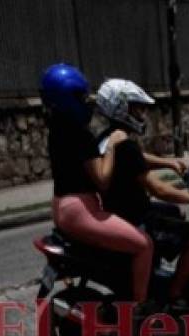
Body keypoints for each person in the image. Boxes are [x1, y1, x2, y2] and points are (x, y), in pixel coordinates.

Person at [40, 63, 154, 309]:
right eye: (81, 97)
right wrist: (113, 144)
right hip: (82, 211)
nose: (87, 102)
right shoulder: (81, 135)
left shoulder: (56, 130)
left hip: (63, 207)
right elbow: (102, 179)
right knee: (143, 245)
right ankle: (139, 311)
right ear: (68, 99)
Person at [94, 78, 189, 309]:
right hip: (136, 218)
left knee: (174, 212)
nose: (142, 114)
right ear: (121, 108)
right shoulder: (124, 145)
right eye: (137, 108)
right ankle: (175, 295)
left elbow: (138, 158)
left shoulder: (108, 138)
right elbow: (157, 189)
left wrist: (169, 163)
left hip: (119, 213)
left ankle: (155, 271)